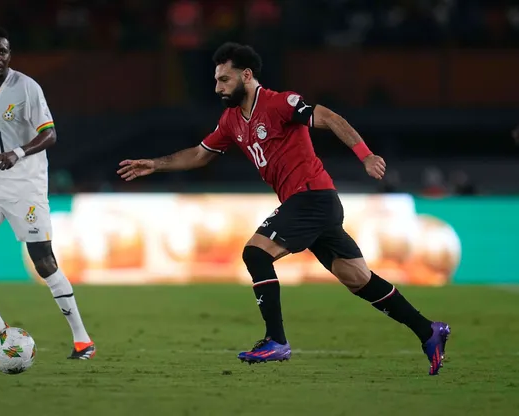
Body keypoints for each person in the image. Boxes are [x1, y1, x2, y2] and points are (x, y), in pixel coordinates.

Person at [117, 42, 449, 375]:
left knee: (256, 253)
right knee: (358, 279)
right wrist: (155, 164)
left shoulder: (279, 103)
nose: (218, 87)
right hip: (309, 204)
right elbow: (200, 154)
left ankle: (276, 340)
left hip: (312, 197)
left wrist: (366, 155)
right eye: (216, 80)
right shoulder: (231, 120)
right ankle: (428, 331)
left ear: (247, 76)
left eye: (224, 79)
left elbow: (330, 117)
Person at [0, 26, 95, 360]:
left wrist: (18, 153)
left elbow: (50, 134)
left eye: (2, 51)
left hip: (27, 185)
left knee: (44, 262)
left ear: (9, 54)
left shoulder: (26, 87)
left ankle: (82, 339)